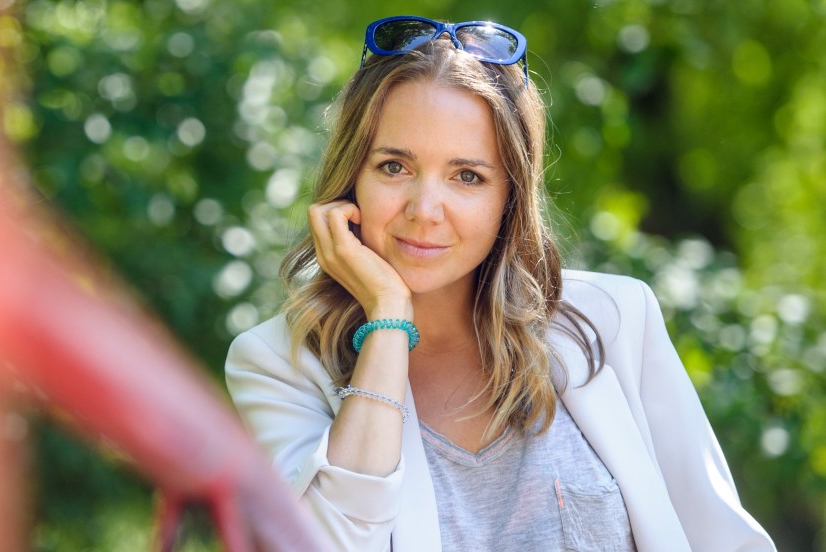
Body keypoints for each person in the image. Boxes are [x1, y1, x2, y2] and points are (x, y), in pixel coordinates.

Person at [225, 15, 775, 552]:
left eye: (467, 176)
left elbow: (727, 541)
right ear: (352, 178)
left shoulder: (613, 320)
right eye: (394, 167)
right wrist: (388, 317)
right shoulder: (277, 365)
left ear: (509, 197)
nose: (424, 210)